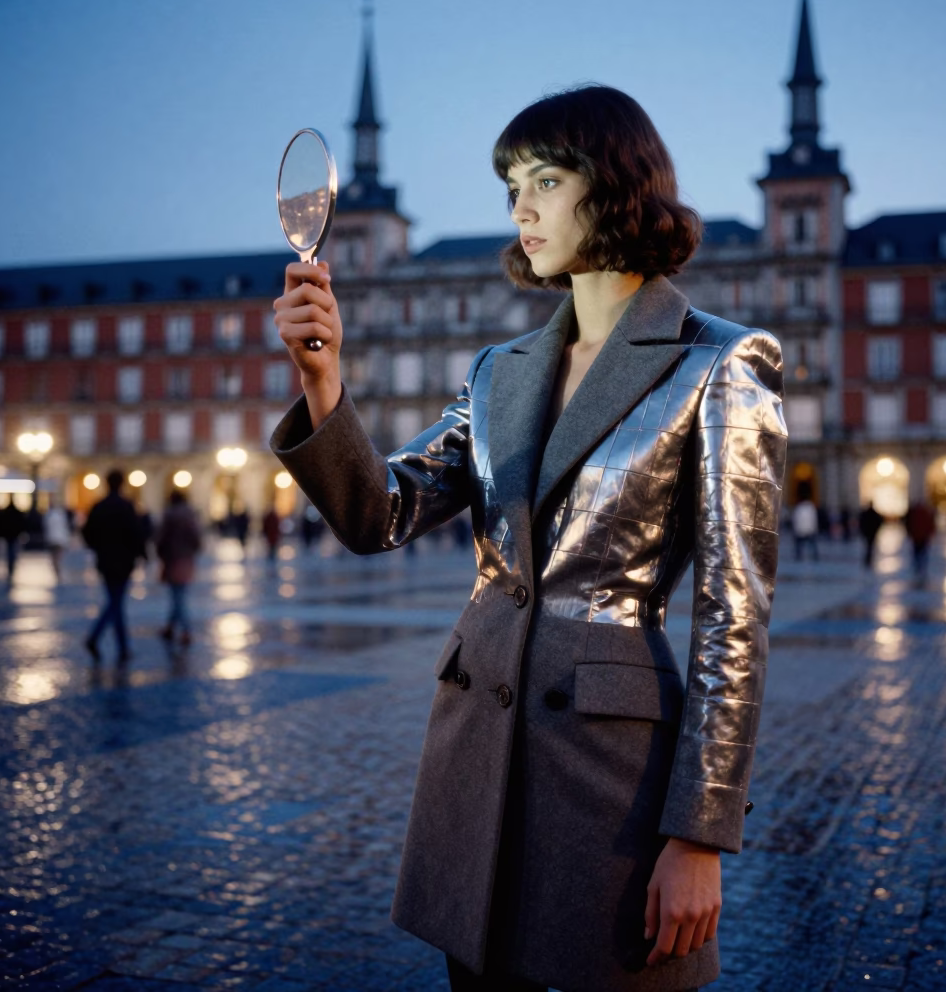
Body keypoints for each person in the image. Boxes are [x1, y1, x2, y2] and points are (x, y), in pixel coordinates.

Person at [270, 85, 788, 992]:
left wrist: (699, 834)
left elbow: (733, 618)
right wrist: (324, 384)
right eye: (513, 187)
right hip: (474, 755)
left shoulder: (719, 363)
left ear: (617, 184)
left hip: (609, 776)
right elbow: (379, 513)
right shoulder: (498, 372)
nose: (521, 208)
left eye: (546, 180)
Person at [81, 469, 147, 663]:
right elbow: (136, 533)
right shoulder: (127, 506)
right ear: (122, 483)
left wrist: (98, 547)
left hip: (105, 559)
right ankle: (102, 639)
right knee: (116, 602)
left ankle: (119, 645)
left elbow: (87, 532)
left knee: (115, 600)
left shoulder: (99, 506)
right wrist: (142, 554)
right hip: (124, 561)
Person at [155, 490, 202, 646]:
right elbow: (197, 537)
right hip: (186, 558)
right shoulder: (190, 515)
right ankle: (170, 628)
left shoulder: (169, 515)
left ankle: (186, 630)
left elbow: (161, 537)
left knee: (177, 596)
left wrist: (161, 553)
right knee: (179, 594)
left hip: (172, 558)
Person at [903, 500, 936, 585]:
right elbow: (930, 524)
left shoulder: (915, 513)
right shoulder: (925, 513)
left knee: (917, 554)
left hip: (917, 537)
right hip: (923, 537)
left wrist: (910, 533)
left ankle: (918, 569)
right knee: (923, 554)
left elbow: (909, 524)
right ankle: (921, 570)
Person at [43, 498, 71, 581]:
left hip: (53, 539)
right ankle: (58, 571)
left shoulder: (49, 516)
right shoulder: (60, 516)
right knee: (58, 556)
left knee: (55, 557)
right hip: (59, 539)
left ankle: (57, 571)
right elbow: (64, 528)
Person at [0, 496, 26, 582]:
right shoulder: (15, 512)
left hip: (9, 535)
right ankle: (11, 565)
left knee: (10, 551)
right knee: (13, 551)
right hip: (14, 535)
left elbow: (2, 523)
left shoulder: (6, 512)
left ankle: (10, 566)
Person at [791, 494, 819, 562]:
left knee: (800, 544)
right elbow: (814, 519)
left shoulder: (799, 507)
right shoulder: (811, 507)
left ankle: (799, 556)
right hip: (809, 529)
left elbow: (796, 519)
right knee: (811, 544)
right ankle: (815, 556)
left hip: (801, 530)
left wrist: (796, 529)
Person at [858, 501, 883, 569]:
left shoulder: (866, 513)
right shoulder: (874, 514)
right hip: (871, 533)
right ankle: (868, 559)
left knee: (868, 546)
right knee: (869, 546)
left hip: (868, 532)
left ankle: (868, 559)